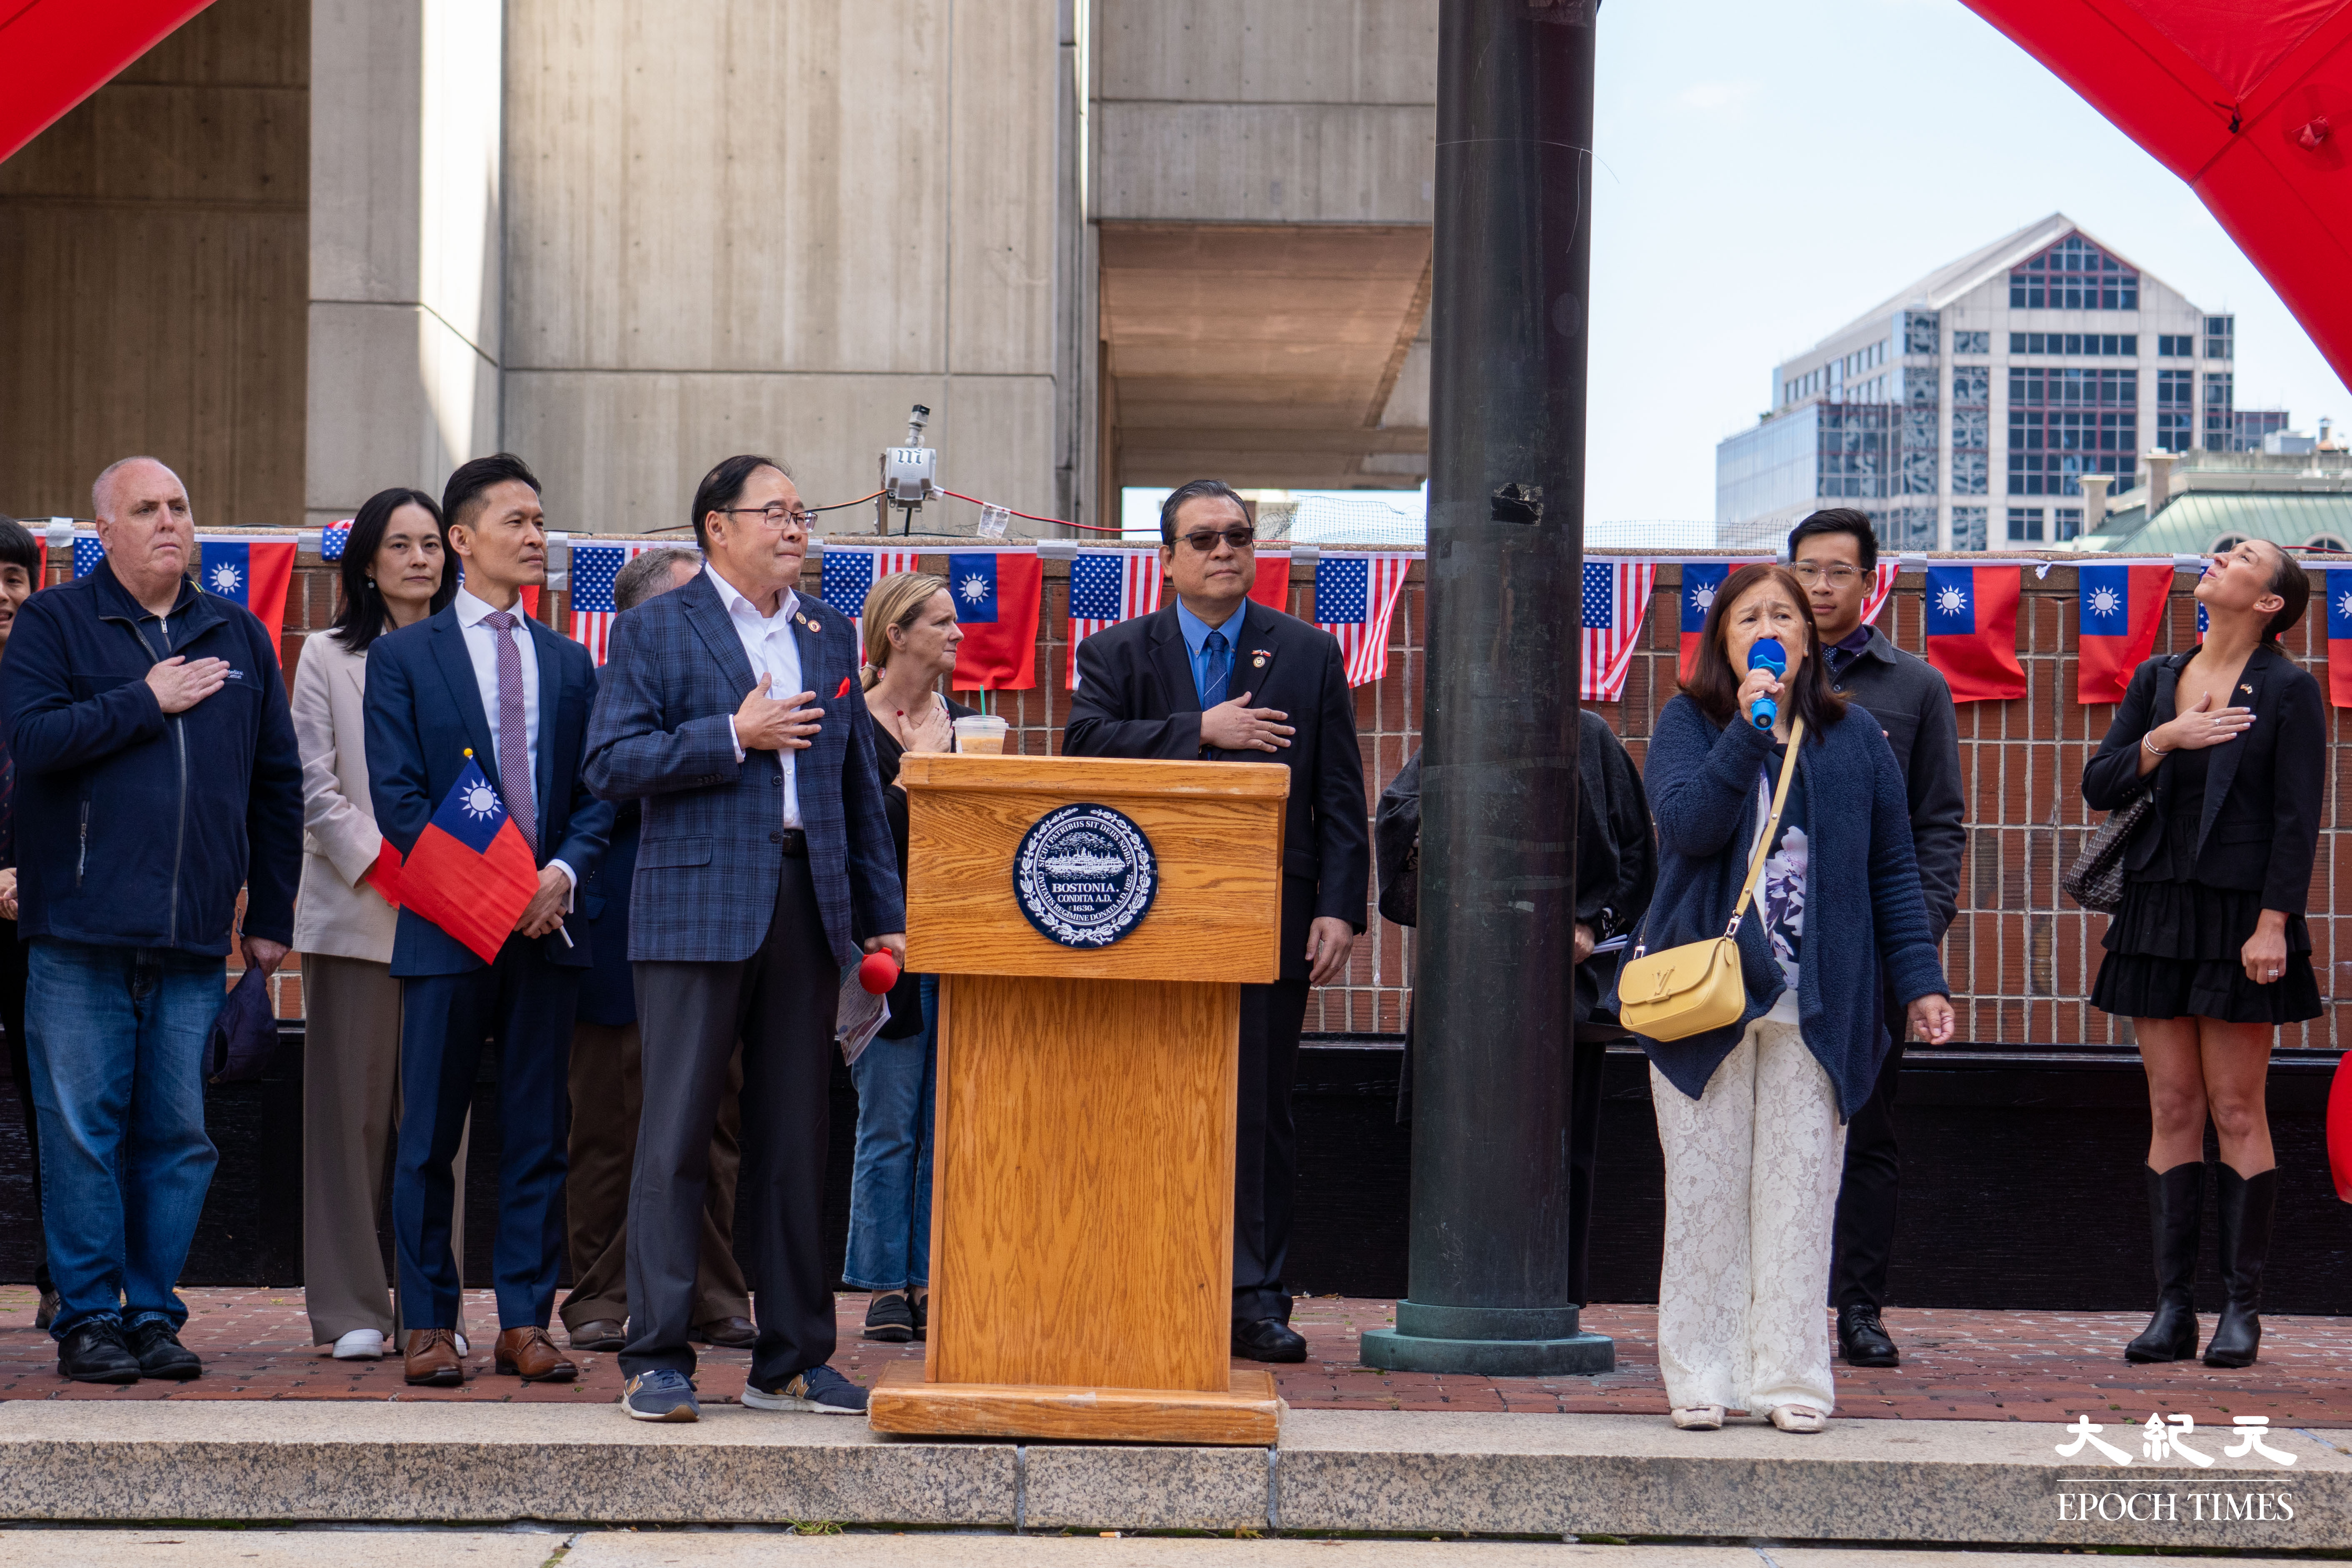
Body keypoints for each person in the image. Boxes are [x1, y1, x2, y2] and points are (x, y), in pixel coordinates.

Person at [585, 454, 903, 1423]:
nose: (797, 528)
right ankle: (657, 1354)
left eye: (803, 513)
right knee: (676, 1134)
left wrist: (882, 911)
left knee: (795, 1138)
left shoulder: (830, 630)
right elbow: (610, 761)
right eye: (778, 513)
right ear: (717, 527)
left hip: (811, 907)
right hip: (695, 907)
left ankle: (794, 1358)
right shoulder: (653, 628)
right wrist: (733, 733)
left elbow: (855, 788)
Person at [1622, 563, 1952, 1435]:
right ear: (1723, 641)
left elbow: (1892, 874)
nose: (1767, 628)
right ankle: (1701, 1372)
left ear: (1809, 638)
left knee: (1802, 1195)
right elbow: (1688, 827)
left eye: (1784, 615)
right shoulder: (1691, 722)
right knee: (1703, 1196)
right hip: (1708, 1001)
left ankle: (1790, 1375)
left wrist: (1920, 984)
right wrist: (1747, 729)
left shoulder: (1858, 741)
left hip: (1820, 1004)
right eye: (1747, 619)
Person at [4, 457, 303, 1384]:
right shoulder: (56, 623)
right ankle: (89, 1315)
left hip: (190, 939)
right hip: (78, 932)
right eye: (147, 509)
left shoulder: (241, 635)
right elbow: (33, 741)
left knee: (178, 1138)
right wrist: (146, 700)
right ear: (104, 532)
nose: (170, 521)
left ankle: (151, 1313)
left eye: (179, 506)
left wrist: (271, 918)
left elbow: (276, 784)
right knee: (83, 1133)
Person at [1063, 478, 1370, 1364]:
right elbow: (1083, 748)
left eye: (1238, 535)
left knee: (1258, 1108)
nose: (1225, 550)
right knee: (1149, 1095)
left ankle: (1254, 1297)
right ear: (1166, 559)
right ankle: (1144, 1280)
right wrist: (1202, 728)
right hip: (1143, 913)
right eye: (1203, 538)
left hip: (1270, 909)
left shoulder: (1306, 652)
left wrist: (1340, 908)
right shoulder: (1117, 652)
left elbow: (1340, 795)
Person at [364, 453, 612, 1389]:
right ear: (463, 539)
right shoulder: (405, 657)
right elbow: (400, 800)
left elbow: (596, 793)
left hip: (550, 929)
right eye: (517, 521)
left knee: (538, 1129)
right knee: (429, 1134)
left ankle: (524, 1320)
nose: (537, 537)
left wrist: (558, 873)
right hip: (446, 930)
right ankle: (427, 1321)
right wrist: (499, 888)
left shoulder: (568, 660)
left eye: (542, 521)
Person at [2083, 538, 2322, 1370]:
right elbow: (2101, 780)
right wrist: (2167, 737)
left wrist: (2273, 925)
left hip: (2240, 915)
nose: (2221, 557)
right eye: (2222, 550)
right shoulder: (2156, 678)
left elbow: (2298, 821)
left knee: (2238, 1109)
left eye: (2245, 555)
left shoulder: (2291, 688)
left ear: (2270, 602)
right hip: (2156, 908)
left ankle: (2241, 1310)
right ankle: (2172, 1309)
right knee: (2174, 1107)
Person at [1379, 711, 1654, 1307]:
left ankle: (1558, 1295)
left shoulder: (1589, 737)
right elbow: (1397, 818)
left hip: (1562, 976)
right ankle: (1459, 1292)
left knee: (1561, 1141)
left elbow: (1635, 848)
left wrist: (1591, 921)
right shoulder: (1455, 733)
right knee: (1459, 1133)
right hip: (1468, 974)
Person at [560, 545, 759, 1355]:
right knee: (614, 1125)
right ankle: (600, 1296)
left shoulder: (740, 685)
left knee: (715, 1123)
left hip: (718, 925)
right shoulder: (612, 684)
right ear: (648, 616)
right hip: (618, 930)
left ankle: (714, 1292)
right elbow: (596, 796)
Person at [294, 488, 471, 1361]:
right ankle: (350, 1304)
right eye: (398, 544)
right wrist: (393, 866)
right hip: (363, 911)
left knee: (439, 1122)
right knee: (352, 1120)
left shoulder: (468, 653)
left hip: (458, 919)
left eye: (432, 543)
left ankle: (433, 1303)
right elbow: (316, 788)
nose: (419, 558)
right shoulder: (327, 656)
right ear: (366, 562)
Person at [1786, 508, 1966, 1370]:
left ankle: (1859, 1309)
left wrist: (1915, 948)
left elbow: (1938, 827)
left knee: (1868, 1129)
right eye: (1807, 571)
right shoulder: (1750, 675)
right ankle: (1774, 1311)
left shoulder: (1913, 688)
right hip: (1769, 955)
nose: (1820, 588)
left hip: (1874, 955)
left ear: (1869, 580)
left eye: (1837, 573)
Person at [846, 570, 972, 1344]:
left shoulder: (962, 723)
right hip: (879, 949)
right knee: (888, 1119)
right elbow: (863, 837)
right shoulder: (850, 724)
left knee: (946, 1123)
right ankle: (882, 1282)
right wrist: (914, 770)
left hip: (953, 944)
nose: (958, 634)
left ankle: (933, 1275)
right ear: (896, 635)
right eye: (942, 622)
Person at [0, 517, 50, 1328]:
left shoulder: (55, 682)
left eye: (13, 577)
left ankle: (64, 1280)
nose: (2, 594)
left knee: (56, 1105)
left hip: (42, 921)